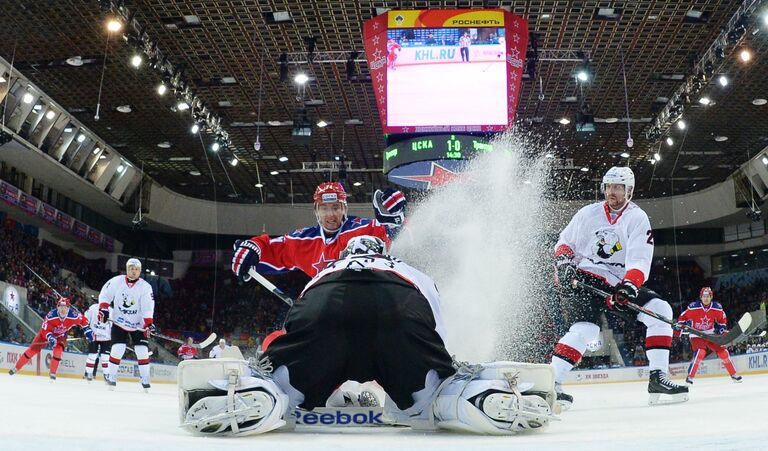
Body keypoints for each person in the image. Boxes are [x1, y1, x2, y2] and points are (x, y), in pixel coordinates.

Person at [180, 236, 558, 436]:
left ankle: (256, 394)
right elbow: (435, 326)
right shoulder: (408, 269)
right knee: (433, 395)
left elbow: (299, 317)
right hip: (399, 307)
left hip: (326, 306)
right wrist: (443, 369)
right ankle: (475, 397)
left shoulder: (326, 269)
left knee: (285, 388)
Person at [552, 166, 688, 407]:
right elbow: (565, 243)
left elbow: (639, 259)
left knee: (661, 311)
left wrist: (628, 287)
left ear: (629, 190)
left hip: (617, 281)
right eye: (608, 187)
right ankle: (551, 384)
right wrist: (563, 264)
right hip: (585, 277)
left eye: (617, 187)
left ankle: (658, 377)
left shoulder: (637, 218)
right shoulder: (588, 213)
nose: (611, 192)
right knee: (586, 329)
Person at [98, 258, 155, 391]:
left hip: (138, 324)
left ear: (139, 271)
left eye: (136, 269)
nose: (133, 271)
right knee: (118, 348)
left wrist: (149, 324)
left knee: (142, 351)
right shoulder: (116, 281)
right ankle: (111, 377)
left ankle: (145, 378)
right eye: (131, 269)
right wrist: (104, 309)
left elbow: (148, 307)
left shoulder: (145, 287)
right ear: (127, 269)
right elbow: (105, 295)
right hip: (119, 322)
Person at [9, 297, 93, 380]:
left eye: (65, 307)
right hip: (45, 335)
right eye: (61, 307)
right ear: (57, 307)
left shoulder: (74, 315)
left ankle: (52, 373)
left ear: (68, 308)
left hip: (61, 336)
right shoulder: (51, 315)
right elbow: (44, 329)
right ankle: (16, 368)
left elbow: (84, 321)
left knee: (58, 351)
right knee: (31, 351)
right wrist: (49, 337)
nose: (62, 309)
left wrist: (87, 331)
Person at [677, 287, 742, 384]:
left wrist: (721, 328)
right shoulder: (694, 307)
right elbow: (683, 316)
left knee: (723, 352)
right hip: (696, 334)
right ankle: (690, 377)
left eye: (708, 296)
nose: (706, 298)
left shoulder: (717, 308)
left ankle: (734, 375)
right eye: (704, 296)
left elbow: (722, 320)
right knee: (700, 352)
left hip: (710, 334)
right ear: (701, 297)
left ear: (711, 297)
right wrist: (680, 326)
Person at [84, 300, 111, 381]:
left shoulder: (111, 310)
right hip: (94, 336)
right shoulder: (93, 308)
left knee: (105, 357)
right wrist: (87, 330)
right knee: (92, 356)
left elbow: (113, 326)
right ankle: (88, 373)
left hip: (106, 338)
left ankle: (107, 375)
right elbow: (86, 319)